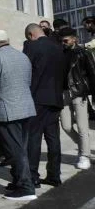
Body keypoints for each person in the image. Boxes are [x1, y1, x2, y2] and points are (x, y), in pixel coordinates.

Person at [0, 30, 36, 201]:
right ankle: (19, 181)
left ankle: (26, 187)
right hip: (25, 106)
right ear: (8, 40)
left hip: (6, 109)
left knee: (15, 150)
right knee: (21, 148)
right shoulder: (22, 56)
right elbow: (27, 80)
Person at [23, 22, 65, 188]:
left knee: (34, 138)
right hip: (55, 97)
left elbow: (26, 71)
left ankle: (33, 176)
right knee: (53, 139)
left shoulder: (32, 47)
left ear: (31, 35)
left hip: (37, 98)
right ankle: (54, 175)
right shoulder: (57, 47)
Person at [59, 27, 95, 170]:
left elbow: (92, 73)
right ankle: (83, 147)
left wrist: (92, 94)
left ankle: (84, 155)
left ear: (74, 39)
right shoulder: (60, 53)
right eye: (61, 41)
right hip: (63, 93)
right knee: (66, 126)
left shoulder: (83, 53)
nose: (63, 43)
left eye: (66, 40)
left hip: (79, 93)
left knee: (82, 126)